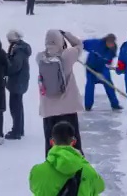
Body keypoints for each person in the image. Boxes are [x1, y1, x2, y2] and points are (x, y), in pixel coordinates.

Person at [37, 29, 84, 157]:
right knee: (73, 146)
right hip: (68, 110)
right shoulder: (67, 56)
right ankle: (76, 172)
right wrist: (67, 35)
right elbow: (79, 45)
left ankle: (52, 170)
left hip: (48, 112)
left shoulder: (40, 58)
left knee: (51, 145)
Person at [29, 120, 105, 196]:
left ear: (52, 142)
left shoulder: (36, 172)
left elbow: (33, 188)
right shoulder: (88, 171)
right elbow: (100, 187)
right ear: (73, 141)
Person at [81, 34, 121, 112]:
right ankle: (88, 106)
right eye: (109, 42)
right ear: (106, 40)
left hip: (103, 69)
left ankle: (115, 105)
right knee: (90, 86)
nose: (110, 44)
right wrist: (75, 51)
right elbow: (81, 44)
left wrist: (106, 70)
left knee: (109, 85)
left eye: (112, 43)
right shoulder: (96, 43)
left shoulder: (113, 49)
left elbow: (109, 61)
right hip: (91, 68)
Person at [6, 30, 32, 140]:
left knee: (15, 106)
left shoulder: (18, 50)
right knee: (18, 106)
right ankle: (19, 129)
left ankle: (16, 131)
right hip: (21, 80)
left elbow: (15, 66)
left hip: (17, 81)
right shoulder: (21, 48)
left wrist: (6, 69)